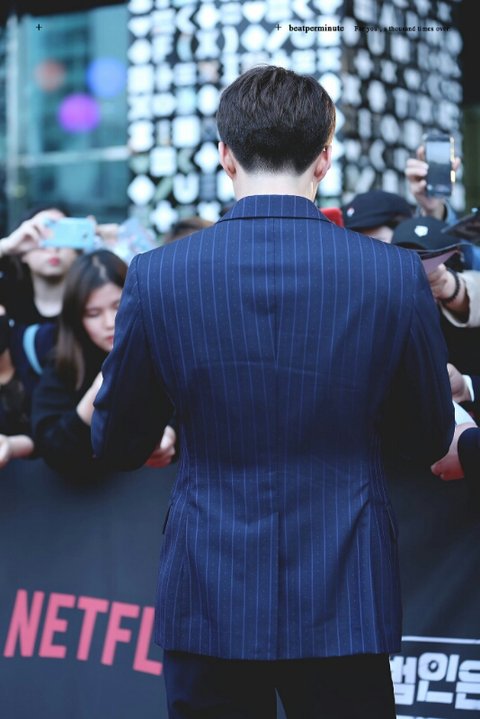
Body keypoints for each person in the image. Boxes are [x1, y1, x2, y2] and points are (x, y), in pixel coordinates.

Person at [91, 65, 454, 718]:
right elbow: (428, 436)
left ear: (225, 155)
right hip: (347, 587)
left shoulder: (158, 275)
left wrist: (162, 432)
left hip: (209, 584)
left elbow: (116, 442)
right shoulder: (393, 275)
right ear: (324, 157)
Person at [31, 249, 176, 478]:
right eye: (93, 313)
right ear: (77, 317)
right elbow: (52, 448)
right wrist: (97, 394)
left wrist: (171, 434)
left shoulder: (169, 348)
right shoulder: (64, 363)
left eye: (118, 306)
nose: (110, 322)